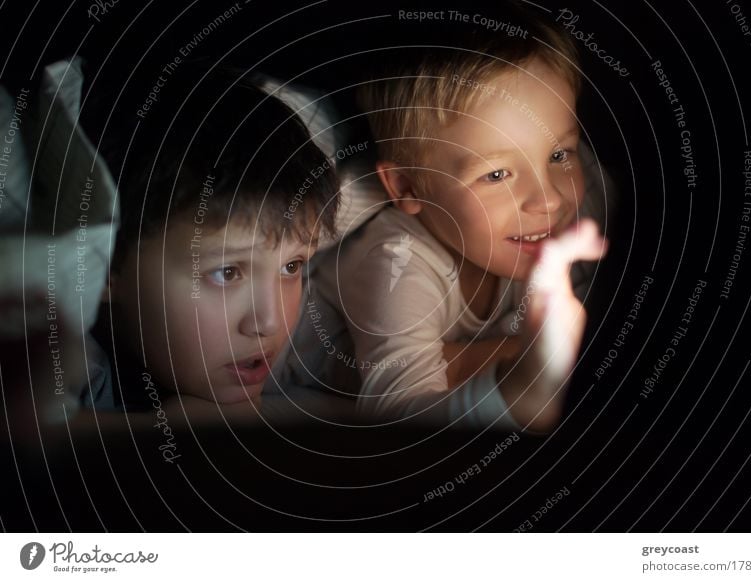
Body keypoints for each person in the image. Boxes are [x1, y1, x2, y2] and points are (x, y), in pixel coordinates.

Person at [286, 4, 609, 432]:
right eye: (496, 174)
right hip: (296, 367)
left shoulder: (571, 209)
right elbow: (398, 416)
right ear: (406, 187)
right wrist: (522, 372)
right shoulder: (395, 260)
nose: (548, 199)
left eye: (557, 154)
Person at [75, 64, 340, 421]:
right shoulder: (57, 361)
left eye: (292, 267)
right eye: (227, 272)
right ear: (104, 266)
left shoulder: (298, 343)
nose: (270, 322)